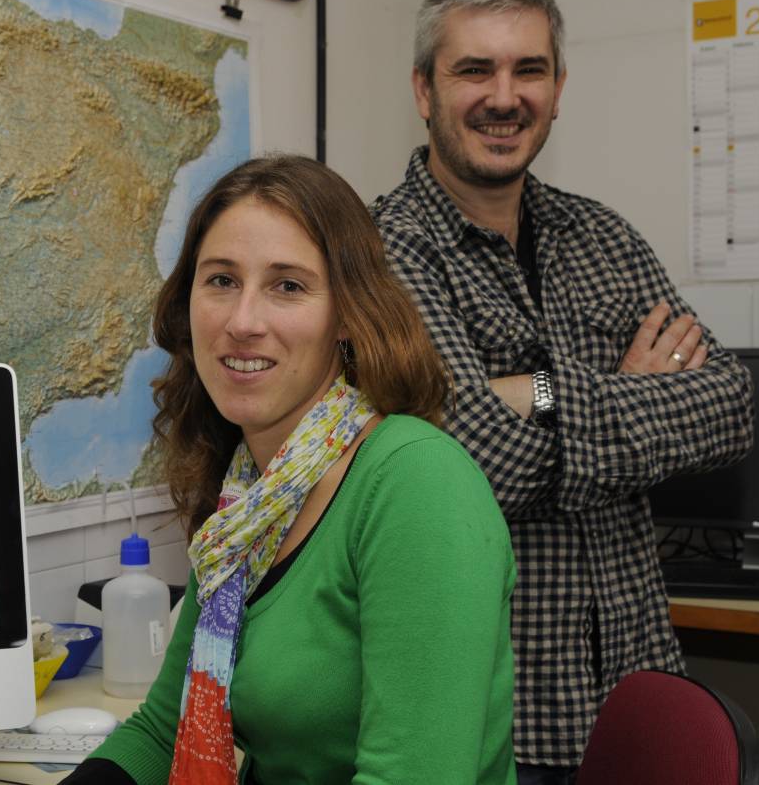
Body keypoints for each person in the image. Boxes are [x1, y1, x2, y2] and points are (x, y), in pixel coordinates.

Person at [369, 0, 755, 784]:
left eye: (527, 69)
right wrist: (632, 392)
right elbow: (473, 454)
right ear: (423, 90)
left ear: (557, 85)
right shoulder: (383, 250)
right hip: (493, 712)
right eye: (473, 68)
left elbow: (730, 404)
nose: (503, 96)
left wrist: (539, 392)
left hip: (635, 682)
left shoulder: (601, 236)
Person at [63, 155, 517, 784]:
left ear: (349, 317)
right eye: (221, 280)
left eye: (288, 286)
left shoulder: (416, 483)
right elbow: (164, 731)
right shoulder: (251, 495)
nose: (243, 321)